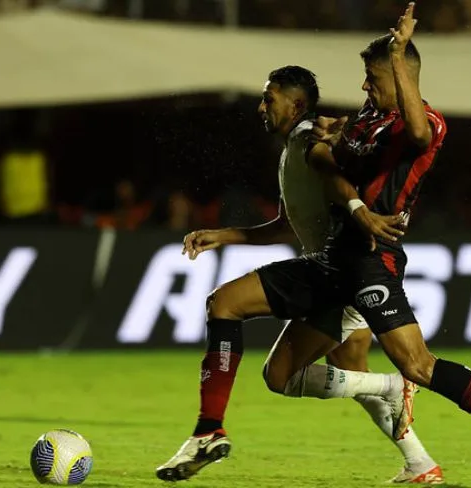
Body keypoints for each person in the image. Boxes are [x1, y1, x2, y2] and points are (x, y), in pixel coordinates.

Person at [165, 4, 471, 486]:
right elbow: (331, 175)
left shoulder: (426, 124)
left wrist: (397, 57)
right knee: (244, 329)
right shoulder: (363, 123)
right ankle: (210, 430)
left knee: (418, 365)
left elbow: (411, 132)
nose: (365, 86)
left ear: (401, 76)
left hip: (371, 261)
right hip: (332, 258)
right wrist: (337, 149)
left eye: (372, 77)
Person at [156, 66, 444, 484]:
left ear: (296, 104)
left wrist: (359, 211)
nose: (261, 107)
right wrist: (224, 235)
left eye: (268, 98)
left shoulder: (310, 142)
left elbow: (333, 170)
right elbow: (287, 224)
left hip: (346, 273)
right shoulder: (295, 145)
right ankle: (420, 462)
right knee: (345, 369)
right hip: (340, 273)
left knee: (226, 305)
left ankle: (208, 430)